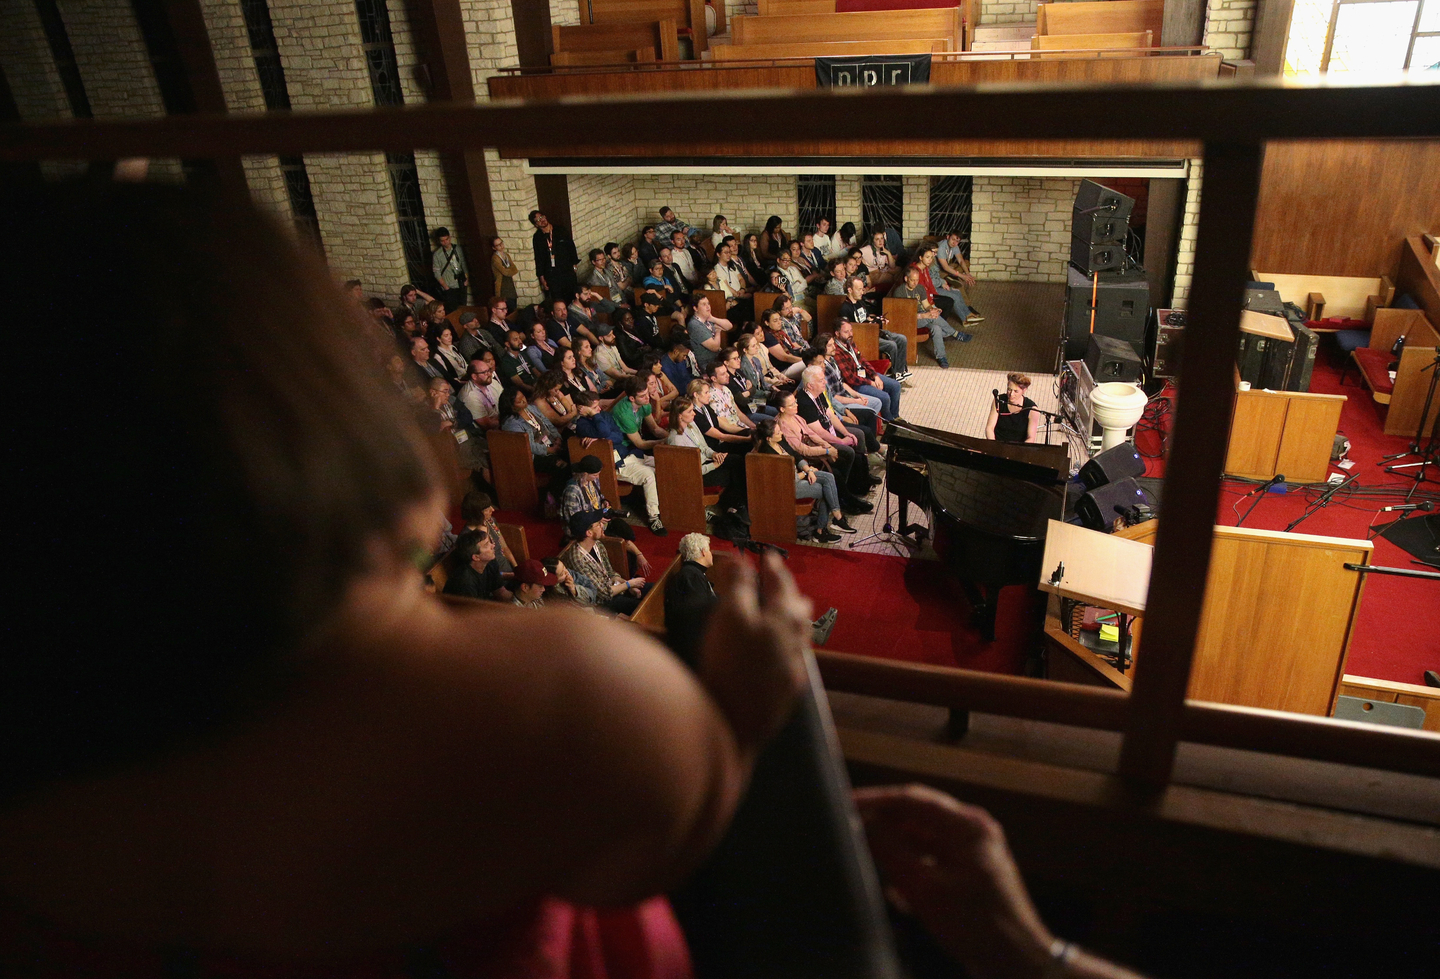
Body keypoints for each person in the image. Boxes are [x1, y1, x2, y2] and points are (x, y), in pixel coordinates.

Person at [4, 181, 821, 979]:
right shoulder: (569, 688)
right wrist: (742, 712)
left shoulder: (44, 814)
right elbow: (678, 836)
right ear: (339, 414)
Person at [573, 390, 666, 536]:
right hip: (616, 465)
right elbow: (604, 432)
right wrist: (596, 419)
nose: (599, 409)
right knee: (649, 475)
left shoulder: (604, 415)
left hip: (628, 455)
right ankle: (654, 517)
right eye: (594, 407)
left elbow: (618, 436)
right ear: (582, 408)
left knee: (663, 463)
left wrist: (602, 436)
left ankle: (669, 505)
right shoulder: (582, 425)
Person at [753, 418, 850, 544]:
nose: (781, 434)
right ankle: (821, 531)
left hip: (798, 475)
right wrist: (805, 473)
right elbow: (786, 479)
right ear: (768, 438)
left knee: (828, 478)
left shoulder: (780, 442)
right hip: (789, 486)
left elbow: (796, 455)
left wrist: (808, 470)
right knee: (824, 490)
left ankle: (837, 516)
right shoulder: (768, 455)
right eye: (777, 433)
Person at [560, 455, 661, 564]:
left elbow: (599, 496)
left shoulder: (592, 481)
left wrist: (604, 502)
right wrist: (597, 521)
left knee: (628, 533)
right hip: (588, 527)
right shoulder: (572, 491)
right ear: (585, 474)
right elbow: (576, 520)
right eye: (595, 474)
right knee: (618, 544)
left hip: (599, 517)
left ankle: (632, 552)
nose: (598, 477)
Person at [559, 510, 650, 617]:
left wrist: (626, 584)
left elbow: (610, 572)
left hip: (612, 588)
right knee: (645, 609)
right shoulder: (577, 559)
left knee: (653, 590)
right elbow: (602, 594)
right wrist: (629, 584)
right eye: (598, 524)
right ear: (589, 533)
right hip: (600, 603)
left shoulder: (597, 544)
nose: (602, 525)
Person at [666, 396, 747, 509]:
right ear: (680, 416)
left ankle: (740, 502)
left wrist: (714, 454)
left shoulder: (692, 424)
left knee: (737, 460)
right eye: (690, 411)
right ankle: (736, 505)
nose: (694, 413)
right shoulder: (675, 439)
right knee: (732, 473)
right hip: (699, 473)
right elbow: (691, 470)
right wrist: (714, 465)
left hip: (707, 460)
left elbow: (704, 447)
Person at [892, 263, 967, 368]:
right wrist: (925, 316)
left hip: (923, 316)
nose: (915, 283)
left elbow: (926, 304)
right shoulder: (899, 292)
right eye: (912, 280)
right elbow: (904, 315)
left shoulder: (920, 288)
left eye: (917, 280)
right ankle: (954, 333)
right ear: (906, 278)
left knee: (936, 328)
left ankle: (941, 357)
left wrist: (933, 309)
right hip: (910, 320)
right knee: (931, 318)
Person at [663, 532, 719, 667]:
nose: (711, 554)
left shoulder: (692, 573)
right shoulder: (691, 576)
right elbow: (699, 617)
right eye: (709, 550)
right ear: (704, 552)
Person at [839, 274, 909, 380]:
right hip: (864, 338)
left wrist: (878, 319)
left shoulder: (860, 302)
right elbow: (849, 329)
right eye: (859, 289)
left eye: (862, 289)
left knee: (902, 339)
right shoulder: (845, 308)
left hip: (872, 332)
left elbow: (867, 318)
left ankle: (900, 371)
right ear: (849, 290)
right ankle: (894, 375)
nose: (862, 292)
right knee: (891, 345)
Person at [834, 319, 903, 420]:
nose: (850, 334)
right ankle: (889, 421)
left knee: (895, 385)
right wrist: (871, 383)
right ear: (837, 333)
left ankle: (896, 417)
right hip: (855, 384)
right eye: (846, 332)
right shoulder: (836, 351)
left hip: (863, 375)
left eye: (851, 330)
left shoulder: (850, 342)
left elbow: (863, 361)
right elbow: (850, 378)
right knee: (884, 397)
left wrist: (875, 376)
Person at [499, 385, 571, 479]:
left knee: (571, 451)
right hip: (536, 455)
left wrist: (557, 438)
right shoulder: (511, 423)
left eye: (523, 397)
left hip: (551, 441)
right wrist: (549, 450)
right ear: (511, 406)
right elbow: (528, 445)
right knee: (562, 467)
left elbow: (547, 423)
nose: (524, 401)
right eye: (519, 401)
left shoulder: (531, 408)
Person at [442, 528, 511, 602]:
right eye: (486, 545)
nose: (493, 545)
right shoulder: (464, 582)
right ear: (476, 557)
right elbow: (474, 611)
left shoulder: (490, 562)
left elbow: (500, 592)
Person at [530, 209, 578, 302]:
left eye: (542, 217)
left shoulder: (560, 230)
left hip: (567, 270)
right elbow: (539, 259)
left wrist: (574, 266)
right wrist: (542, 278)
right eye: (538, 220)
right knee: (558, 299)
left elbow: (571, 247)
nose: (542, 220)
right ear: (536, 225)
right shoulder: (537, 237)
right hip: (552, 274)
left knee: (572, 297)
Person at [936, 229, 984, 321]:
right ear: (948, 237)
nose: (955, 243)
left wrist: (968, 274)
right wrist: (962, 276)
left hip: (948, 266)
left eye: (957, 241)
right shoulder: (941, 247)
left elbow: (961, 260)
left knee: (965, 263)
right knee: (959, 284)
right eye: (953, 239)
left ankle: (957, 275)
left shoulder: (954, 246)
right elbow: (945, 267)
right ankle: (967, 306)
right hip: (940, 271)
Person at [986, 371, 1043, 444]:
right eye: (1009, 389)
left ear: (1024, 390)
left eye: (1016, 391)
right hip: (997, 445)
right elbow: (989, 428)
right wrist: (994, 445)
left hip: (1017, 449)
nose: (1011, 394)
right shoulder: (998, 401)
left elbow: (1031, 438)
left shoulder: (1032, 410)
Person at [687, 295, 734, 373]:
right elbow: (715, 347)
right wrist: (718, 331)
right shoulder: (695, 325)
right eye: (703, 304)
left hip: (717, 359)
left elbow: (729, 326)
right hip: (707, 364)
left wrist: (713, 318)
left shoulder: (707, 320)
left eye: (708, 303)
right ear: (695, 308)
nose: (708, 306)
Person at [432, 227, 469, 311]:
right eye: (442, 241)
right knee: (453, 310)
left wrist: (466, 279)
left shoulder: (458, 249)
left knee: (463, 308)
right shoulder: (437, 254)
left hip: (461, 284)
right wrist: (446, 287)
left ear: (449, 237)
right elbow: (436, 273)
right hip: (449, 287)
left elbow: (464, 264)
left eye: (447, 239)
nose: (445, 242)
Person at [490, 235, 519, 302]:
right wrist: (509, 270)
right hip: (502, 286)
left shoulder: (506, 255)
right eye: (498, 245)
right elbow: (504, 272)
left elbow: (515, 269)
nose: (501, 246)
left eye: (501, 243)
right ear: (494, 248)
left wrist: (508, 270)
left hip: (510, 284)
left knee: (513, 303)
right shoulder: (495, 258)